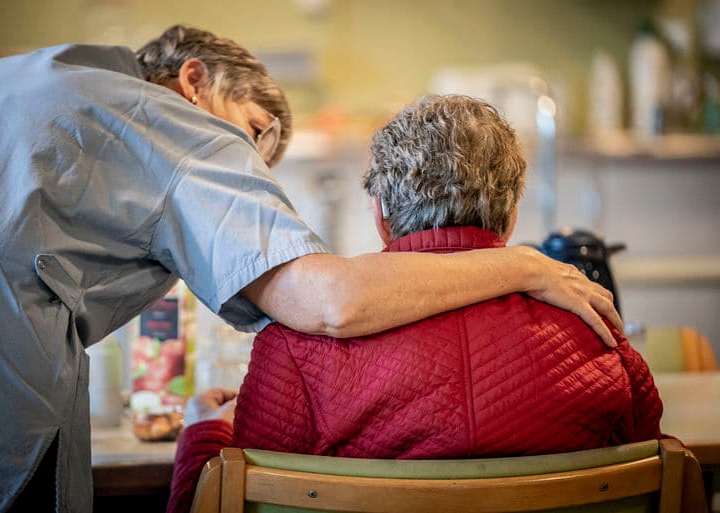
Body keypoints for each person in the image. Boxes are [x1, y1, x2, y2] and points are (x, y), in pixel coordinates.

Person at [0, 24, 620, 513]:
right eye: (252, 133)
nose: (244, 171)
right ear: (194, 80)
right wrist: (524, 266)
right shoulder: (174, 124)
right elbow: (327, 300)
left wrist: (203, 430)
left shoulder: (13, 81)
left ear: (381, 210)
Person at [167, 95, 664, 513]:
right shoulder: (593, 327)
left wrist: (203, 433)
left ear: (381, 215)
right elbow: (657, 475)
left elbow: (220, 501)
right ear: (511, 215)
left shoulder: (297, 344)